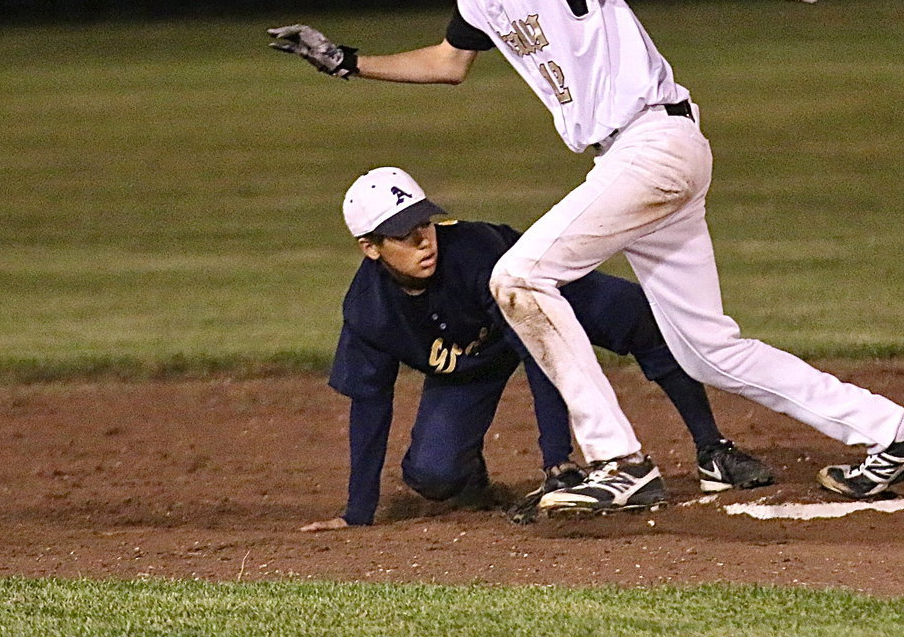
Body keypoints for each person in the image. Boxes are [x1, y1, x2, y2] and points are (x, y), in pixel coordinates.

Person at [271, 0, 904, 517]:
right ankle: (898, 433)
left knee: (516, 276)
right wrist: (345, 62)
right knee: (708, 351)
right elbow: (449, 63)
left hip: (652, 143)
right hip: (638, 157)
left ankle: (617, 461)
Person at [299, 165, 774, 531]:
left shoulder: (476, 251)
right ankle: (475, 484)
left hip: (550, 296)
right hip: (474, 362)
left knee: (641, 318)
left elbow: (540, 351)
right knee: (433, 476)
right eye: (405, 234)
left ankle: (713, 448)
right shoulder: (368, 312)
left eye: (425, 222)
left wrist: (557, 462)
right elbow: (369, 405)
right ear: (371, 247)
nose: (425, 240)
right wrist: (357, 512)